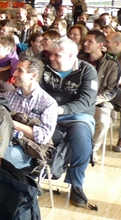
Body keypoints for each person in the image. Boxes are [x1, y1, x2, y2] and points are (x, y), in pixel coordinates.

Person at [40, 38, 97, 207]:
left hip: (78, 115)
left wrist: (61, 110)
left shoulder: (87, 71)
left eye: (57, 55)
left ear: (71, 56)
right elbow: (37, 91)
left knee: (81, 136)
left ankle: (76, 184)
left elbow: (86, 101)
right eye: (50, 54)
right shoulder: (44, 67)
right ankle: (30, 176)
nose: (51, 58)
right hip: (47, 112)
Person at [4, 57, 58, 169]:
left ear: (33, 75)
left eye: (20, 71)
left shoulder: (48, 103)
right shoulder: (8, 95)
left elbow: (43, 137)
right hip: (7, 139)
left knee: (2, 156)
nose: (14, 73)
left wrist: (13, 124)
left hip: (30, 149)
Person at [80, 30, 120, 163]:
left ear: (100, 45)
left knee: (103, 121)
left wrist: (92, 100)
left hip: (100, 102)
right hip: (79, 100)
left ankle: (92, 150)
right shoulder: (79, 60)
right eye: (85, 40)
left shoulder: (112, 64)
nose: (85, 43)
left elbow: (111, 91)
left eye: (90, 41)